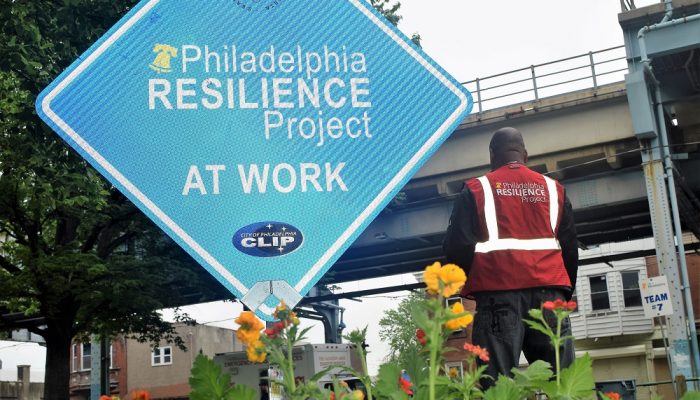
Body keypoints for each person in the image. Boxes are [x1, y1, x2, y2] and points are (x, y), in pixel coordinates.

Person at [442, 127, 578, 386]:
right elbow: (570, 246)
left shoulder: (477, 189)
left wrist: (466, 285)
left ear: (492, 155)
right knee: (564, 385)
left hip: (497, 298)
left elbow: (457, 246)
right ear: (525, 154)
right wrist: (563, 293)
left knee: (497, 386)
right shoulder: (553, 190)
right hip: (550, 297)